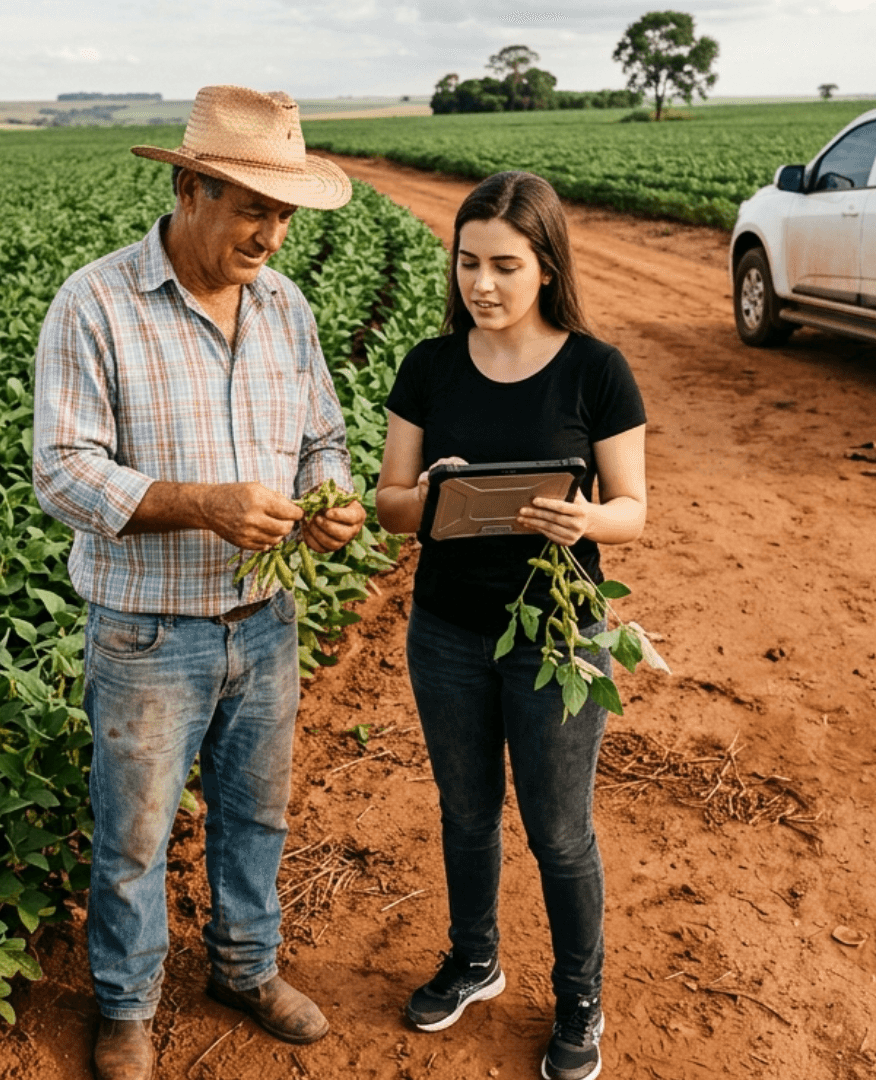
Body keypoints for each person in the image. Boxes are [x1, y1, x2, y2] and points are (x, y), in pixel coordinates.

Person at [32, 85, 367, 1080]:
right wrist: (200, 503)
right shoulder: (95, 303)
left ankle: (244, 968)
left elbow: (324, 437)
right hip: (147, 630)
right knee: (134, 835)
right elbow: (62, 467)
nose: (272, 232)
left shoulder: (285, 307)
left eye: (284, 211)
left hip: (264, 621)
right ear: (187, 187)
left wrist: (330, 502)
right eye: (252, 207)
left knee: (257, 813)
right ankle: (128, 1004)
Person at [373, 171, 647, 1080]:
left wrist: (584, 520)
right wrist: (434, 489)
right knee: (465, 810)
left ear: (546, 266)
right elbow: (390, 506)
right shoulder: (429, 367)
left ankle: (580, 998)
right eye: (466, 264)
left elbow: (633, 508)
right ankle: (476, 959)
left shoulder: (596, 369)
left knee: (559, 830)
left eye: (504, 265)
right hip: (448, 631)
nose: (480, 285)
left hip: (560, 635)